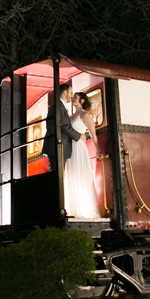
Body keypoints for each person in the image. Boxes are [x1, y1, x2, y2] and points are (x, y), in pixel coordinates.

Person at [63, 91, 101, 219]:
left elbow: (93, 134)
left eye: (75, 97)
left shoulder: (85, 115)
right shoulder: (71, 115)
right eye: (72, 96)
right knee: (72, 176)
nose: (72, 98)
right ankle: (73, 209)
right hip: (70, 148)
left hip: (79, 147)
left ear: (82, 101)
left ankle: (84, 210)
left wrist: (98, 151)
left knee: (80, 176)